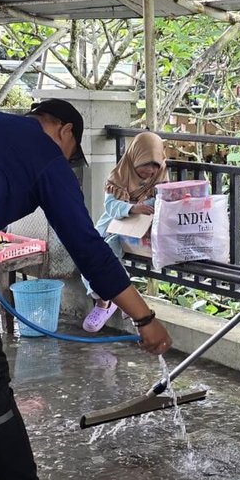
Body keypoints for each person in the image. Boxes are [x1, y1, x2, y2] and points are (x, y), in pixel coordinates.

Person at [0, 99, 172, 480]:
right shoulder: (45, 154)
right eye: (70, 154)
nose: (66, 163)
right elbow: (88, 248)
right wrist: (145, 318)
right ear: (65, 131)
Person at [82, 131, 167, 331]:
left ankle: (111, 302)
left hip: (142, 233)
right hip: (115, 225)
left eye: (155, 165)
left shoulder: (161, 177)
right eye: (145, 164)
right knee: (90, 254)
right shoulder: (119, 175)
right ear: (134, 158)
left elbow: (163, 202)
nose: (150, 171)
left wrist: (146, 205)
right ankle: (108, 300)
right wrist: (133, 207)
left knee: (107, 257)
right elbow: (111, 206)